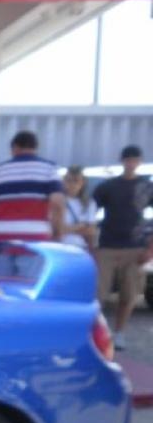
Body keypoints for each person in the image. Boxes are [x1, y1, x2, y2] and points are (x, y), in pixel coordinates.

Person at [92, 145, 152, 349]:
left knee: (129, 294)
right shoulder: (107, 186)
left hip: (136, 247)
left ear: (139, 162)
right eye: (128, 159)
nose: (131, 163)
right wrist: (91, 243)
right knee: (99, 294)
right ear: (123, 161)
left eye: (135, 159)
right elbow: (90, 213)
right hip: (107, 245)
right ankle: (96, 332)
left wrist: (150, 249)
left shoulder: (147, 187)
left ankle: (120, 333)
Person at [0, 131, 66, 243]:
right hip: (35, 236)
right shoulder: (49, 168)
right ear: (35, 147)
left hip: (1, 236)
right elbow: (57, 202)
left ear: (15, 147)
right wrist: (57, 233)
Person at [62, 166, 98, 250]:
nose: (72, 184)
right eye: (69, 180)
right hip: (61, 247)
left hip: (80, 247)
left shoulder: (89, 203)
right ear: (64, 182)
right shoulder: (57, 202)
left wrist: (67, 229)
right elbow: (55, 229)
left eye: (76, 181)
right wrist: (81, 226)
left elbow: (91, 231)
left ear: (82, 183)